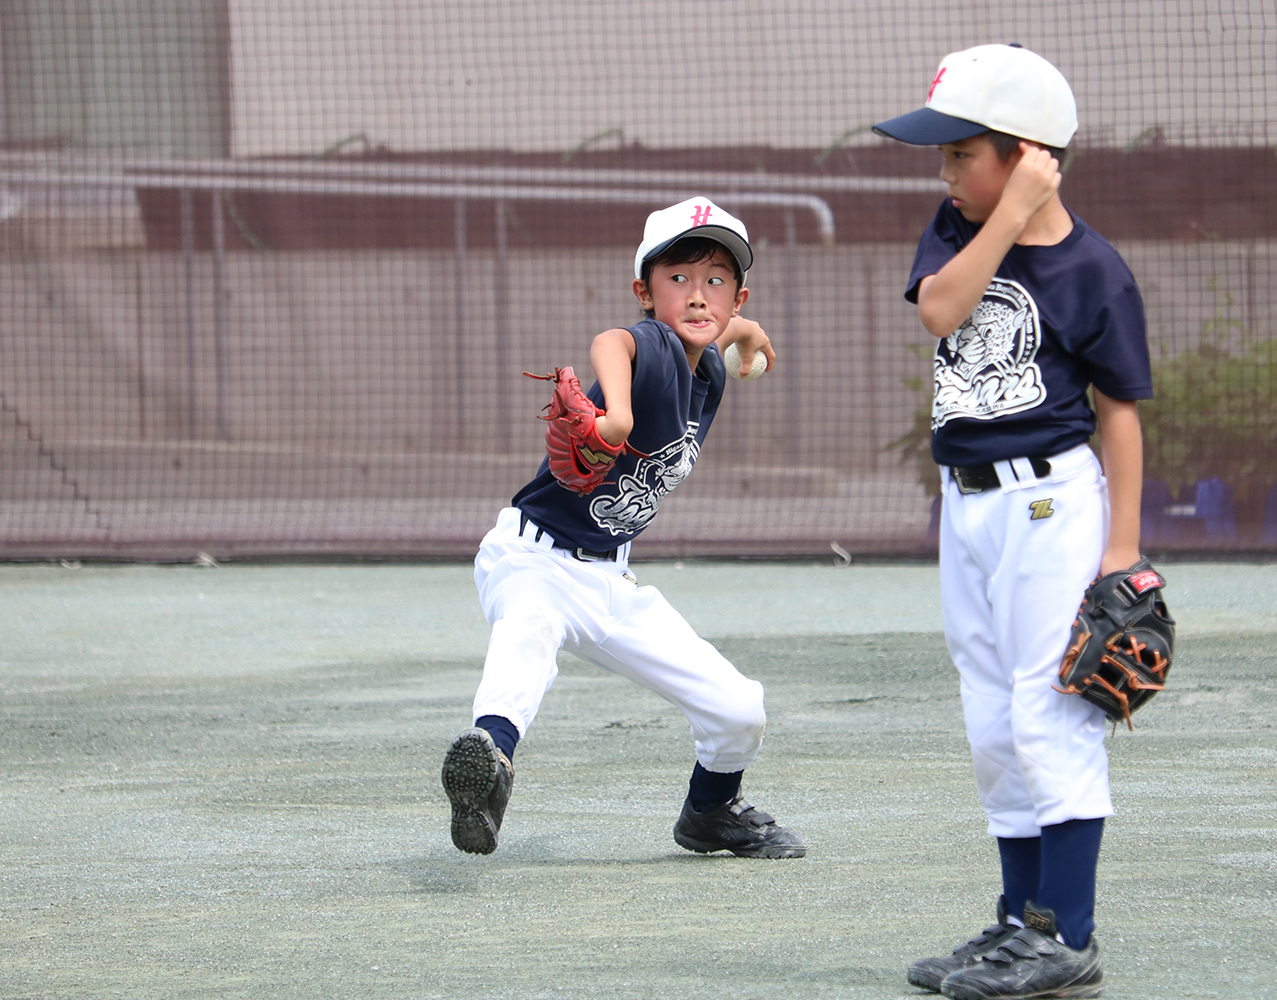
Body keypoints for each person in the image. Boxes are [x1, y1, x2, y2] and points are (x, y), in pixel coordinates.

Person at [872, 44, 1153, 1000]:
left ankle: (1066, 933)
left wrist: (1123, 552)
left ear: (1029, 154)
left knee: (1048, 712)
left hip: (1050, 504)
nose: (946, 172)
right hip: (968, 507)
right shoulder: (957, 233)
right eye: (945, 155)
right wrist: (1007, 213)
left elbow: (1120, 414)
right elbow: (942, 312)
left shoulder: (1094, 271)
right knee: (992, 717)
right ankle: (1016, 923)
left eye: (963, 153)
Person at [440, 197, 806, 861]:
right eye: (678, 279)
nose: (697, 295)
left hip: (610, 580)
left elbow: (716, 325)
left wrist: (744, 331)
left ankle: (711, 812)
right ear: (644, 292)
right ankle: (489, 766)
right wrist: (617, 417)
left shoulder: (706, 364)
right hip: (531, 558)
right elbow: (616, 341)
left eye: (716, 281)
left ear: (738, 295)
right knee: (529, 632)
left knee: (739, 708)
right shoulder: (654, 347)